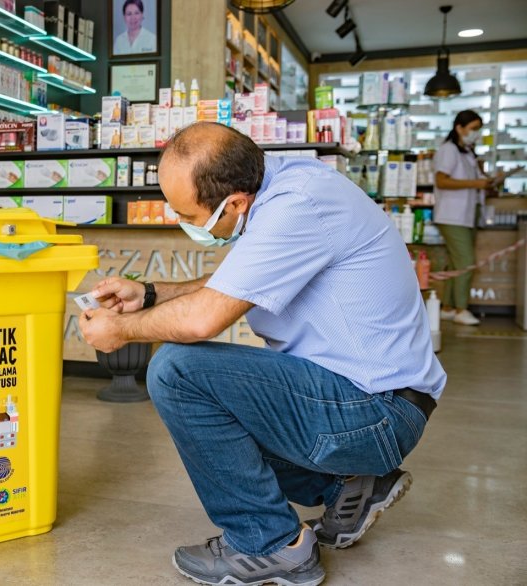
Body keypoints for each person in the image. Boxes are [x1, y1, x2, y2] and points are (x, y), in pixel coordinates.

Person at [79, 122, 446, 586]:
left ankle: (270, 546)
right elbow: (227, 288)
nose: (184, 225)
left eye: (188, 217)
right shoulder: (279, 186)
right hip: (368, 401)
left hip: (376, 411)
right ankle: (348, 488)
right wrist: (150, 294)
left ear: (234, 203)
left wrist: (123, 331)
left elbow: (202, 319)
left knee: (178, 371)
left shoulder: (298, 207)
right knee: (220, 396)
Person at [433, 109, 499, 326]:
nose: (476, 134)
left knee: (455, 263)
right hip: (451, 215)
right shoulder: (448, 150)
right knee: (466, 262)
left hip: (466, 215)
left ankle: (448, 307)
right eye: (473, 129)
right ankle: (461, 309)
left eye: (479, 129)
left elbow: (477, 181)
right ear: (459, 128)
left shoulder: (468, 153)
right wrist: (476, 184)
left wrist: (489, 183)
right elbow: (442, 181)